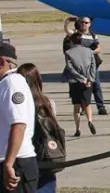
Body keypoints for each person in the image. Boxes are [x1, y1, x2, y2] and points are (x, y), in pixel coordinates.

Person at [0, 44, 38, 193]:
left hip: (16, 162)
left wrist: (9, 164)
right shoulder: (5, 83)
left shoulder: (12, 83)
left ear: (2, 62)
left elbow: (18, 125)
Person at [16, 65, 57, 193]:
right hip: (45, 151)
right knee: (47, 183)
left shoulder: (19, 102)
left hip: (24, 152)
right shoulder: (48, 102)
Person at [63, 32, 97, 137]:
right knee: (87, 103)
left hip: (75, 82)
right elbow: (93, 66)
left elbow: (70, 68)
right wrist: (90, 79)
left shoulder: (68, 53)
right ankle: (90, 120)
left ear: (72, 41)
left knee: (76, 106)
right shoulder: (89, 51)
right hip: (88, 81)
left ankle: (78, 129)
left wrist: (81, 79)